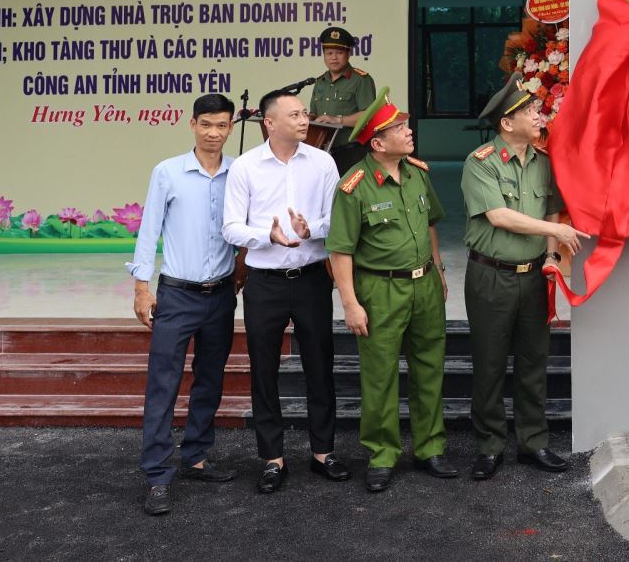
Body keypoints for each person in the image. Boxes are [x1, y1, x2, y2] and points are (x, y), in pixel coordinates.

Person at [461, 76, 589, 480]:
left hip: (534, 276)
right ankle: (490, 445)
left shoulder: (544, 162)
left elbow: (551, 208)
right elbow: (499, 216)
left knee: (535, 362)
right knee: (490, 363)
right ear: (506, 123)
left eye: (536, 109)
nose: (538, 116)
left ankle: (534, 442)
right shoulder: (479, 162)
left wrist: (551, 255)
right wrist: (555, 233)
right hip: (491, 276)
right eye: (530, 112)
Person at [327, 88, 455, 492]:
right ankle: (382, 455)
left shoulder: (417, 172)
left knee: (429, 369)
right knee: (380, 377)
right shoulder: (355, 186)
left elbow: (431, 222)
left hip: (425, 287)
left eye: (405, 124)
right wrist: (350, 303)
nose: (408, 130)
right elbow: (340, 250)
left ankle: (430, 448)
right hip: (379, 291)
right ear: (378, 142)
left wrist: (438, 268)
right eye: (398, 127)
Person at [223, 88, 347, 493]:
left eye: (305, 112)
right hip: (264, 283)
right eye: (293, 114)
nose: (304, 119)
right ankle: (272, 458)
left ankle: (323, 452)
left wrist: (315, 229)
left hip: (311, 278)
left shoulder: (324, 162)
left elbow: (337, 217)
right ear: (269, 122)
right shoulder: (245, 167)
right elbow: (230, 227)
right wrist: (268, 236)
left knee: (319, 366)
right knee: (264, 370)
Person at [128, 93, 240, 516]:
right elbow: (148, 228)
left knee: (209, 379)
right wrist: (142, 287)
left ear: (231, 127)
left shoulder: (239, 172)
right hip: (176, 295)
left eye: (222, 125)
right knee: (163, 384)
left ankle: (195, 457)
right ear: (192, 123)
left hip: (222, 294)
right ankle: (157, 474)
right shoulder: (168, 172)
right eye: (207, 124)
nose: (214, 133)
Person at [308, 25, 376, 175]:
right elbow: (314, 112)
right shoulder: (320, 81)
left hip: (351, 152)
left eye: (339, 52)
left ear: (348, 54)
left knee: (351, 196)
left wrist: (338, 120)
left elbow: (369, 116)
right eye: (329, 53)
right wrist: (307, 117)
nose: (333, 57)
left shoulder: (360, 80)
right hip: (323, 152)